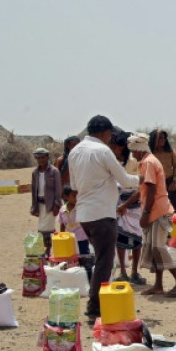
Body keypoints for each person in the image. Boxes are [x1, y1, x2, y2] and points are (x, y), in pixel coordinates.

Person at [69, 115, 140, 318]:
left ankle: (97, 301)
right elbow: (126, 180)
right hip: (101, 214)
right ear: (106, 133)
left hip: (85, 214)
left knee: (101, 259)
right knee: (104, 262)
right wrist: (143, 179)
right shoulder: (102, 151)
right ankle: (95, 305)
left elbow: (74, 186)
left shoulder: (75, 152)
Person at [131, 134, 176, 297]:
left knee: (158, 247)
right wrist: (125, 205)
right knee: (154, 248)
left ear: (139, 149)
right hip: (155, 209)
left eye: (133, 151)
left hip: (158, 210)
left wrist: (146, 213)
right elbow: (142, 190)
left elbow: (151, 189)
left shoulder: (149, 162)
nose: (132, 154)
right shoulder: (148, 161)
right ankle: (158, 285)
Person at [113, 132, 146, 285]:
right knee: (120, 238)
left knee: (137, 239)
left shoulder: (134, 162)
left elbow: (140, 184)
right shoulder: (112, 161)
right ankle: (123, 272)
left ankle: (134, 272)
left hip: (133, 204)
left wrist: (126, 204)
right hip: (118, 203)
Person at [30, 147, 62, 256]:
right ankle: (44, 250)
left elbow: (58, 189)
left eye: (43, 157)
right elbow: (34, 189)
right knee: (41, 228)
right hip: (40, 203)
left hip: (50, 204)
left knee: (48, 228)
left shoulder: (54, 171)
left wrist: (57, 204)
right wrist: (34, 206)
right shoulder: (35, 173)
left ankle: (48, 250)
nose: (41, 160)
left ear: (47, 157)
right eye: (38, 158)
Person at [148, 128, 176, 214]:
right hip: (155, 184)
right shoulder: (149, 153)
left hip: (169, 183)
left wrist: (174, 181)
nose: (162, 140)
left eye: (164, 138)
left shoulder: (169, 152)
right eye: (160, 138)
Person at [58, 186, 89, 256]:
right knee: (71, 257)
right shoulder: (62, 210)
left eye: (78, 195)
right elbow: (62, 225)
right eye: (74, 196)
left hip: (82, 238)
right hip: (69, 239)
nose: (77, 198)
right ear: (66, 197)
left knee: (84, 256)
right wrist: (61, 237)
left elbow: (86, 222)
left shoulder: (81, 208)